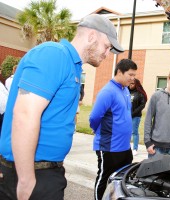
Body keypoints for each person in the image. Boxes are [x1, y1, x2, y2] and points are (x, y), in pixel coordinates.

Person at [0, 14, 124, 200]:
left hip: (44, 172)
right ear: (92, 36)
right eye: (107, 47)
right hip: (31, 174)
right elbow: (24, 114)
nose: (107, 54)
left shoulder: (71, 66)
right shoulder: (55, 54)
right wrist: (26, 179)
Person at [90, 59, 137, 199]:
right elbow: (94, 117)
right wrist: (97, 129)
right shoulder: (107, 91)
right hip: (109, 147)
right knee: (104, 179)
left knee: (120, 180)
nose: (133, 78)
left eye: (134, 75)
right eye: (130, 74)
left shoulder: (125, 90)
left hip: (124, 147)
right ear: (119, 72)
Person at [128, 78, 147, 156]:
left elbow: (142, 105)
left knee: (134, 132)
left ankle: (135, 149)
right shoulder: (126, 91)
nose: (130, 85)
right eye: (130, 83)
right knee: (127, 132)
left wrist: (133, 113)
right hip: (126, 116)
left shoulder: (140, 93)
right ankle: (127, 147)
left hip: (135, 116)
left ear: (136, 84)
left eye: (132, 83)